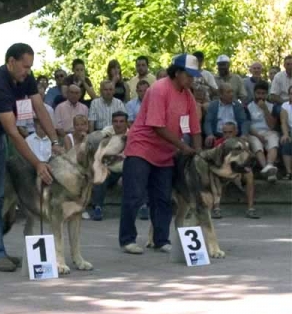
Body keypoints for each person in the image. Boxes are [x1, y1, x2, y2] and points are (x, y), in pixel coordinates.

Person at [0, 43, 61, 272]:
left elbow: (39, 108)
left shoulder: (25, 76)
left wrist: (55, 141)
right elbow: (13, 132)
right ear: (11, 62)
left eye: (30, 67)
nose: (28, 71)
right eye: (25, 66)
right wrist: (36, 163)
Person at [119, 54, 201, 255]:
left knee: (163, 198)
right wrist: (183, 147)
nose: (192, 80)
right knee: (134, 195)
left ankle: (161, 239)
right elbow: (157, 126)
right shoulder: (158, 89)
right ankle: (127, 239)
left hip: (165, 153)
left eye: (194, 76)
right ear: (178, 73)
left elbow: (195, 128)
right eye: (189, 76)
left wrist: (197, 153)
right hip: (141, 148)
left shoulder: (187, 95)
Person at [212, 122, 259, 219]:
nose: (227, 135)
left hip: (239, 171)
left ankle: (250, 209)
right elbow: (216, 162)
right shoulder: (219, 143)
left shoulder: (242, 143)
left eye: (230, 132)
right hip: (224, 171)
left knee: (249, 174)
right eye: (225, 132)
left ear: (236, 132)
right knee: (215, 175)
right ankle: (216, 209)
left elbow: (248, 159)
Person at [89, 111, 129, 221]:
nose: (118, 124)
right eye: (115, 121)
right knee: (100, 174)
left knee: (138, 172)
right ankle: (98, 208)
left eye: (121, 121)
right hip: (109, 169)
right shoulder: (106, 133)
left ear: (126, 123)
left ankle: (142, 206)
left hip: (127, 169)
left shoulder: (132, 135)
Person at [247, 81, 279, 182]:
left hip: (268, 131)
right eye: (258, 93)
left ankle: (269, 166)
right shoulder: (248, 106)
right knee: (256, 143)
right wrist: (258, 135)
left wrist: (265, 109)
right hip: (254, 133)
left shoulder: (271, 106)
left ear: (267, 94)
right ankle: (268, 170)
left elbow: (272, 125)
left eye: (263, 93)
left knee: (273, 140)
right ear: (254, 93)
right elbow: (248, 125)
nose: (260, 96)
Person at [204, 83, 249, 147]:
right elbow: (208, 122)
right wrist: (210, 134)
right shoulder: (213, 105)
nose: (231, 94)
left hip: (235, 137)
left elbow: (244, 121)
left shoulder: (237, 105)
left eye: (232, 91)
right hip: (218, 136)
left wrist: (244, 134)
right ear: (220, 95)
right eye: (228, 92)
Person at [280, 85, 292, 180]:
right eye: (291, 94)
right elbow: (283, 121)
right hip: (290, 130)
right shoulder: (285, 106)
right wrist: (286, 134)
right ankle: (289, 172)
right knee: (286, 142)